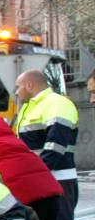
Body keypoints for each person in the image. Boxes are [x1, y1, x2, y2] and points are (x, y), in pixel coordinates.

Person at [14, 69, 80, 211]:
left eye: (18, 87)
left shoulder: (56, 103)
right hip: (42, 179)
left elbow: (55, 145)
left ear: (29, 85)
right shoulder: (29, 107)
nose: (16, 92)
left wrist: (36, 174)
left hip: (58, 180)